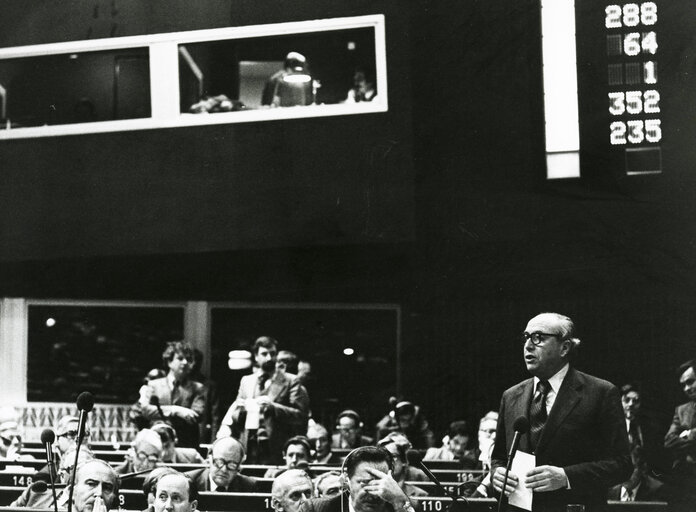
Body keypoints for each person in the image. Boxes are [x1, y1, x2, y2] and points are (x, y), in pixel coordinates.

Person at [491, 312, 632, 512]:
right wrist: (498, 473)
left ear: (565, 347)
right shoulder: (511, 396)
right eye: (526, 337)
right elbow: (499, 457)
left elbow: (622, 465)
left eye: (538, 337)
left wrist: (566, 477)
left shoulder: (601, 392)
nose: (528, 346)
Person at [218, 336, 310, 464]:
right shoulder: (246, 381)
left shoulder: (291, 381)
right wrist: (242, 409)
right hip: (249, 447)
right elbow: (235, 415)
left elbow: (300, 416)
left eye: (272, 353)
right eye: (264, 354)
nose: (269, 358)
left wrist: (273, 407)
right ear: (256, 356)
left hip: (275, 448)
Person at [130, 341, 208, 447]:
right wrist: (175, 410)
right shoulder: (154, 385)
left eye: (188, 359)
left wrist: (160, 412)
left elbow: (196, 415)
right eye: (180, 358)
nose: (185, 362)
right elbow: (146, 410)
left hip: (186, 444)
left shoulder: (198, 388)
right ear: (169, 362)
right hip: (158, 443)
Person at [299, 446, 416, 512]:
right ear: (346, 479)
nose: (374, 494)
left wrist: (400, 503)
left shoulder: (406, 506)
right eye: (365, 483)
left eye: (380, 483)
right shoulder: (316, 509)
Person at [663, 359, 696, 509]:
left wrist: (686, 434)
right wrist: (693, 435)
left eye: (690, 382)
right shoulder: (681, 410)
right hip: (685, 477)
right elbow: (669, 441)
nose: (687, 388)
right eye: (683, 385)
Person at [186, 436, 257, 492]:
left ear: (239, 467)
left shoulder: (249, 486)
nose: (224, 470)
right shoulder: (188, 482)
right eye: (219, 462)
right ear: (209, 459)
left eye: (231, 465)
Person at [376, 433, 428, 498]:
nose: (388, 461)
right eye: (384, 457)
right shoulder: (374, 488)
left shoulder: (420, 479)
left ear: (404, 461)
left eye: (393, 456)